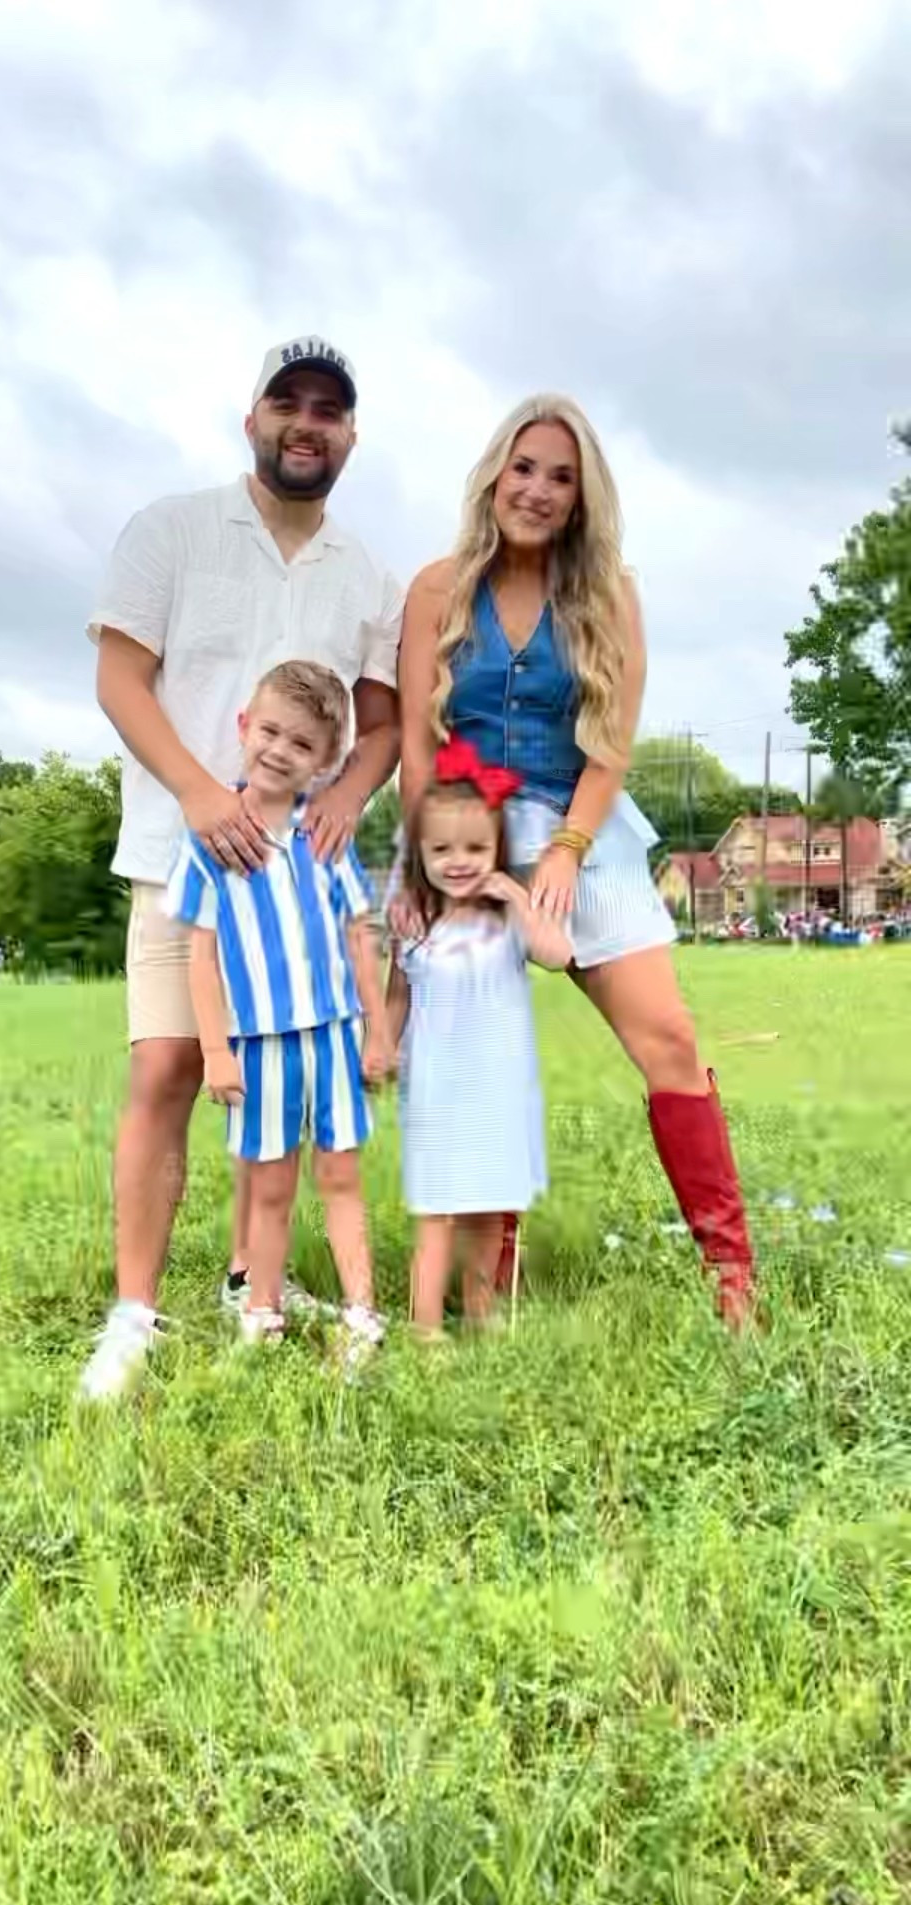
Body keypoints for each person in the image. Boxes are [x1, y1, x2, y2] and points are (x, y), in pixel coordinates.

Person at [81, 337, 403, 1400]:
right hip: (189, 856)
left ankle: (243, 1279)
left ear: (350, 436)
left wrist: (351, 794)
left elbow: (384, 716)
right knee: (171, 1068)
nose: (307, 424)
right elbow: (122, 680)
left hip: (301, 884)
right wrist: (199, 793)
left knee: (283, 1071)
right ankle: (135, 1309)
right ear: (252, 417)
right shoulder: (171, 530)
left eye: (330, 411)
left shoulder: (361, 572)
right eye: (288, 403)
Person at [396, 395, 756, 1330]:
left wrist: (566, 847)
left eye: (561, 476)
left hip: (579, 828)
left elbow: (613, 746)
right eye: (524, 468)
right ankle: (487, 1274)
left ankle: (732, 1275)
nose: (539, 490)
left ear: (583, 496)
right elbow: (413, 744)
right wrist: (420, 873)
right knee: (477, 1047)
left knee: (669, 1039)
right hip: (463, 837)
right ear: (493, 475)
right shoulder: (436, 589)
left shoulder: (610, 594)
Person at [160, 660, 391, 1367]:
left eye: (301, 744)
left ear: (323, 763)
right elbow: (199, 957)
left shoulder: (325, 837)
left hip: (333, 1039)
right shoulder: (211, 842)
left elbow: (359, 936)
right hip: (258, 1048)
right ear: (244, 728)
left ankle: (362, 1314)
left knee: (343, 1177)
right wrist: (215, 1050)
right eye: (270, 732)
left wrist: (378, 1031)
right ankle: (260, 1311)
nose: (279, 751)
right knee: (270, 1185)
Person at [387, 736, 572, 1336]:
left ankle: (479, 1309)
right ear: (419, 851)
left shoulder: (506, 922)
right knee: (437, 1210)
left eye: (475, 847)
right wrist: (381, 1045)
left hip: (498, 1087)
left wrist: (518, 896)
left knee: (492, 1204)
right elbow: (398, 995)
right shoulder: (417, 924)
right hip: (438, 1088)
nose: (459, 860)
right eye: (441, 848)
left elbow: (561, 954)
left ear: (497, 849)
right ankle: (424, 1326)